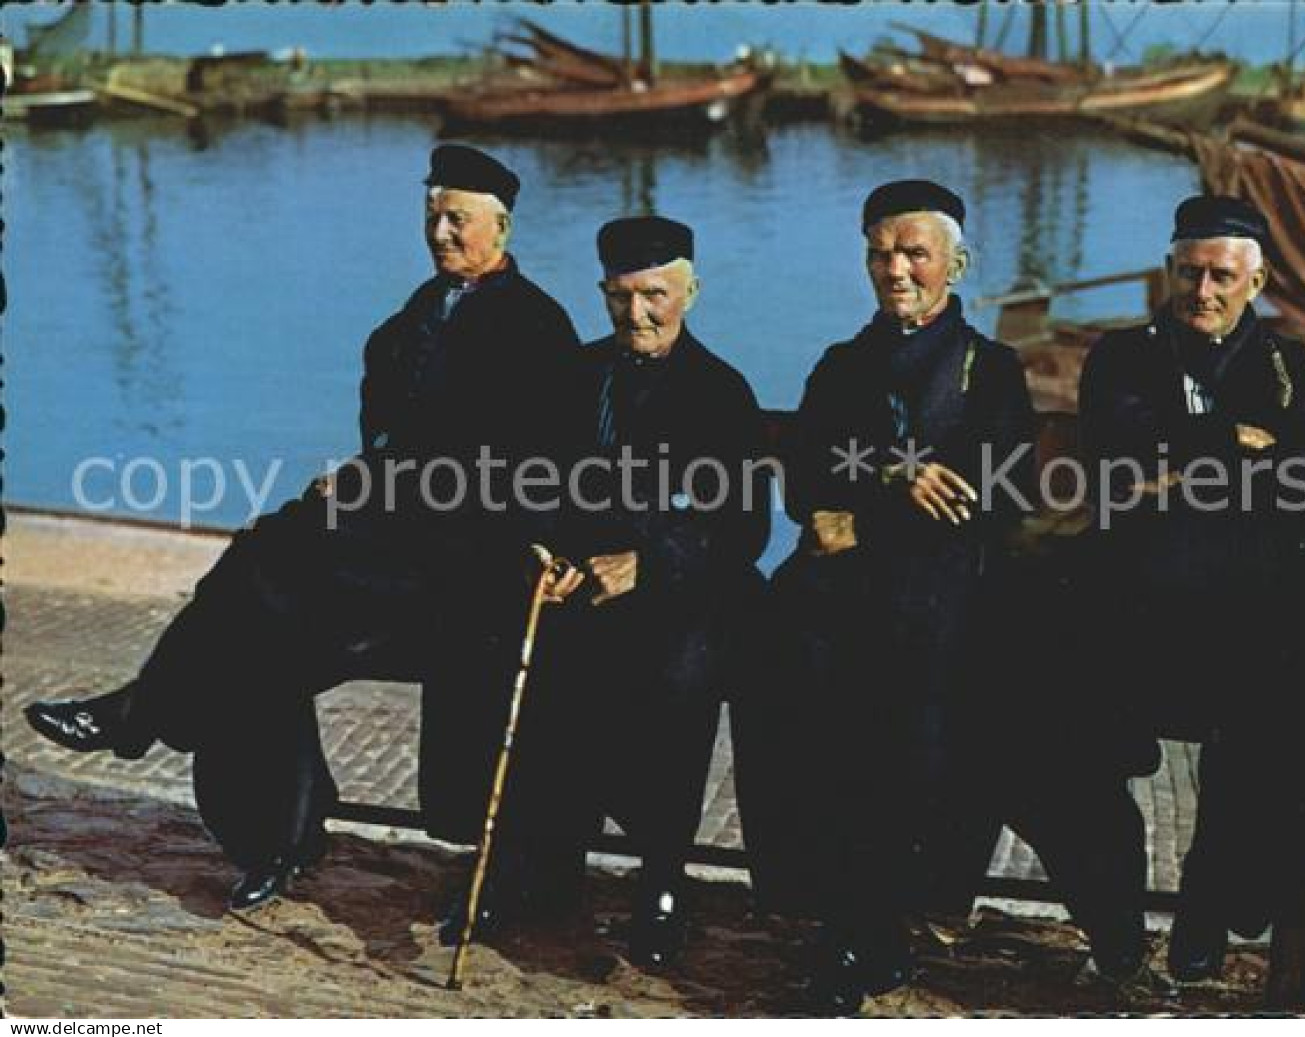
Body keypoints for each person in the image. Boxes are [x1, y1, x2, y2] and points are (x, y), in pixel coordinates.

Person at [26, 145, 583, 913]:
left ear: (502, 224)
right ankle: (276, 839)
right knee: (258, 609)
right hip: (397, 540)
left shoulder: (537, 330)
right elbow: (391, 438)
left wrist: (388, 484)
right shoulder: (415, 316)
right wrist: (367, 478)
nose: (442, 233)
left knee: (260, 573)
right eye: (433, 217)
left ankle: (143, 712)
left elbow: (525, 470)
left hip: (469, 561)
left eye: (459, 219)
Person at [420, 215, 771, 968]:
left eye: (654, 296)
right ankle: (532, 865)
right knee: (505, 637)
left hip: (685, 591)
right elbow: (527, 489)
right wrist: (542, 553)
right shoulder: (573, 378)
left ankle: (663, 878)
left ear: (689, 290)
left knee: (678, 672)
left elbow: (742, 530)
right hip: (581, 583)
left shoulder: (722, 394)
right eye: (619, 298)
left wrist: (648, 567)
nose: (636, 315)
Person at [734, 180, 1037, 1014]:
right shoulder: (842, 365)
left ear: (955, 264)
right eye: (880, 252)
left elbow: (994, 493)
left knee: (907, 693)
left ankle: (869, 923)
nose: (895, 269)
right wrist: (893, 475)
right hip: (840, 590)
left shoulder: (989, 371)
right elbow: (802, 483)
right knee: (782, 665)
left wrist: (862, 515)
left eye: (914, 253)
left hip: (942, 589)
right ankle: (830, 907)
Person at [1076, 194, 1305, 984]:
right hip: (1142, 602)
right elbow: (1113, 456)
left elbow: (1295, 483)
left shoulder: (1290, 370)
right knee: (1052, 705)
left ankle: (1217, 894)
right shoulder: (1122, 357)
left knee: (1301, 700)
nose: (1200, 292)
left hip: (1243, 603)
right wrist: (1229, 442)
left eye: (1219, 276)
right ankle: (1126, 920)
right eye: (1186, 273)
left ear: (1257, 279)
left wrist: (1178, 459)